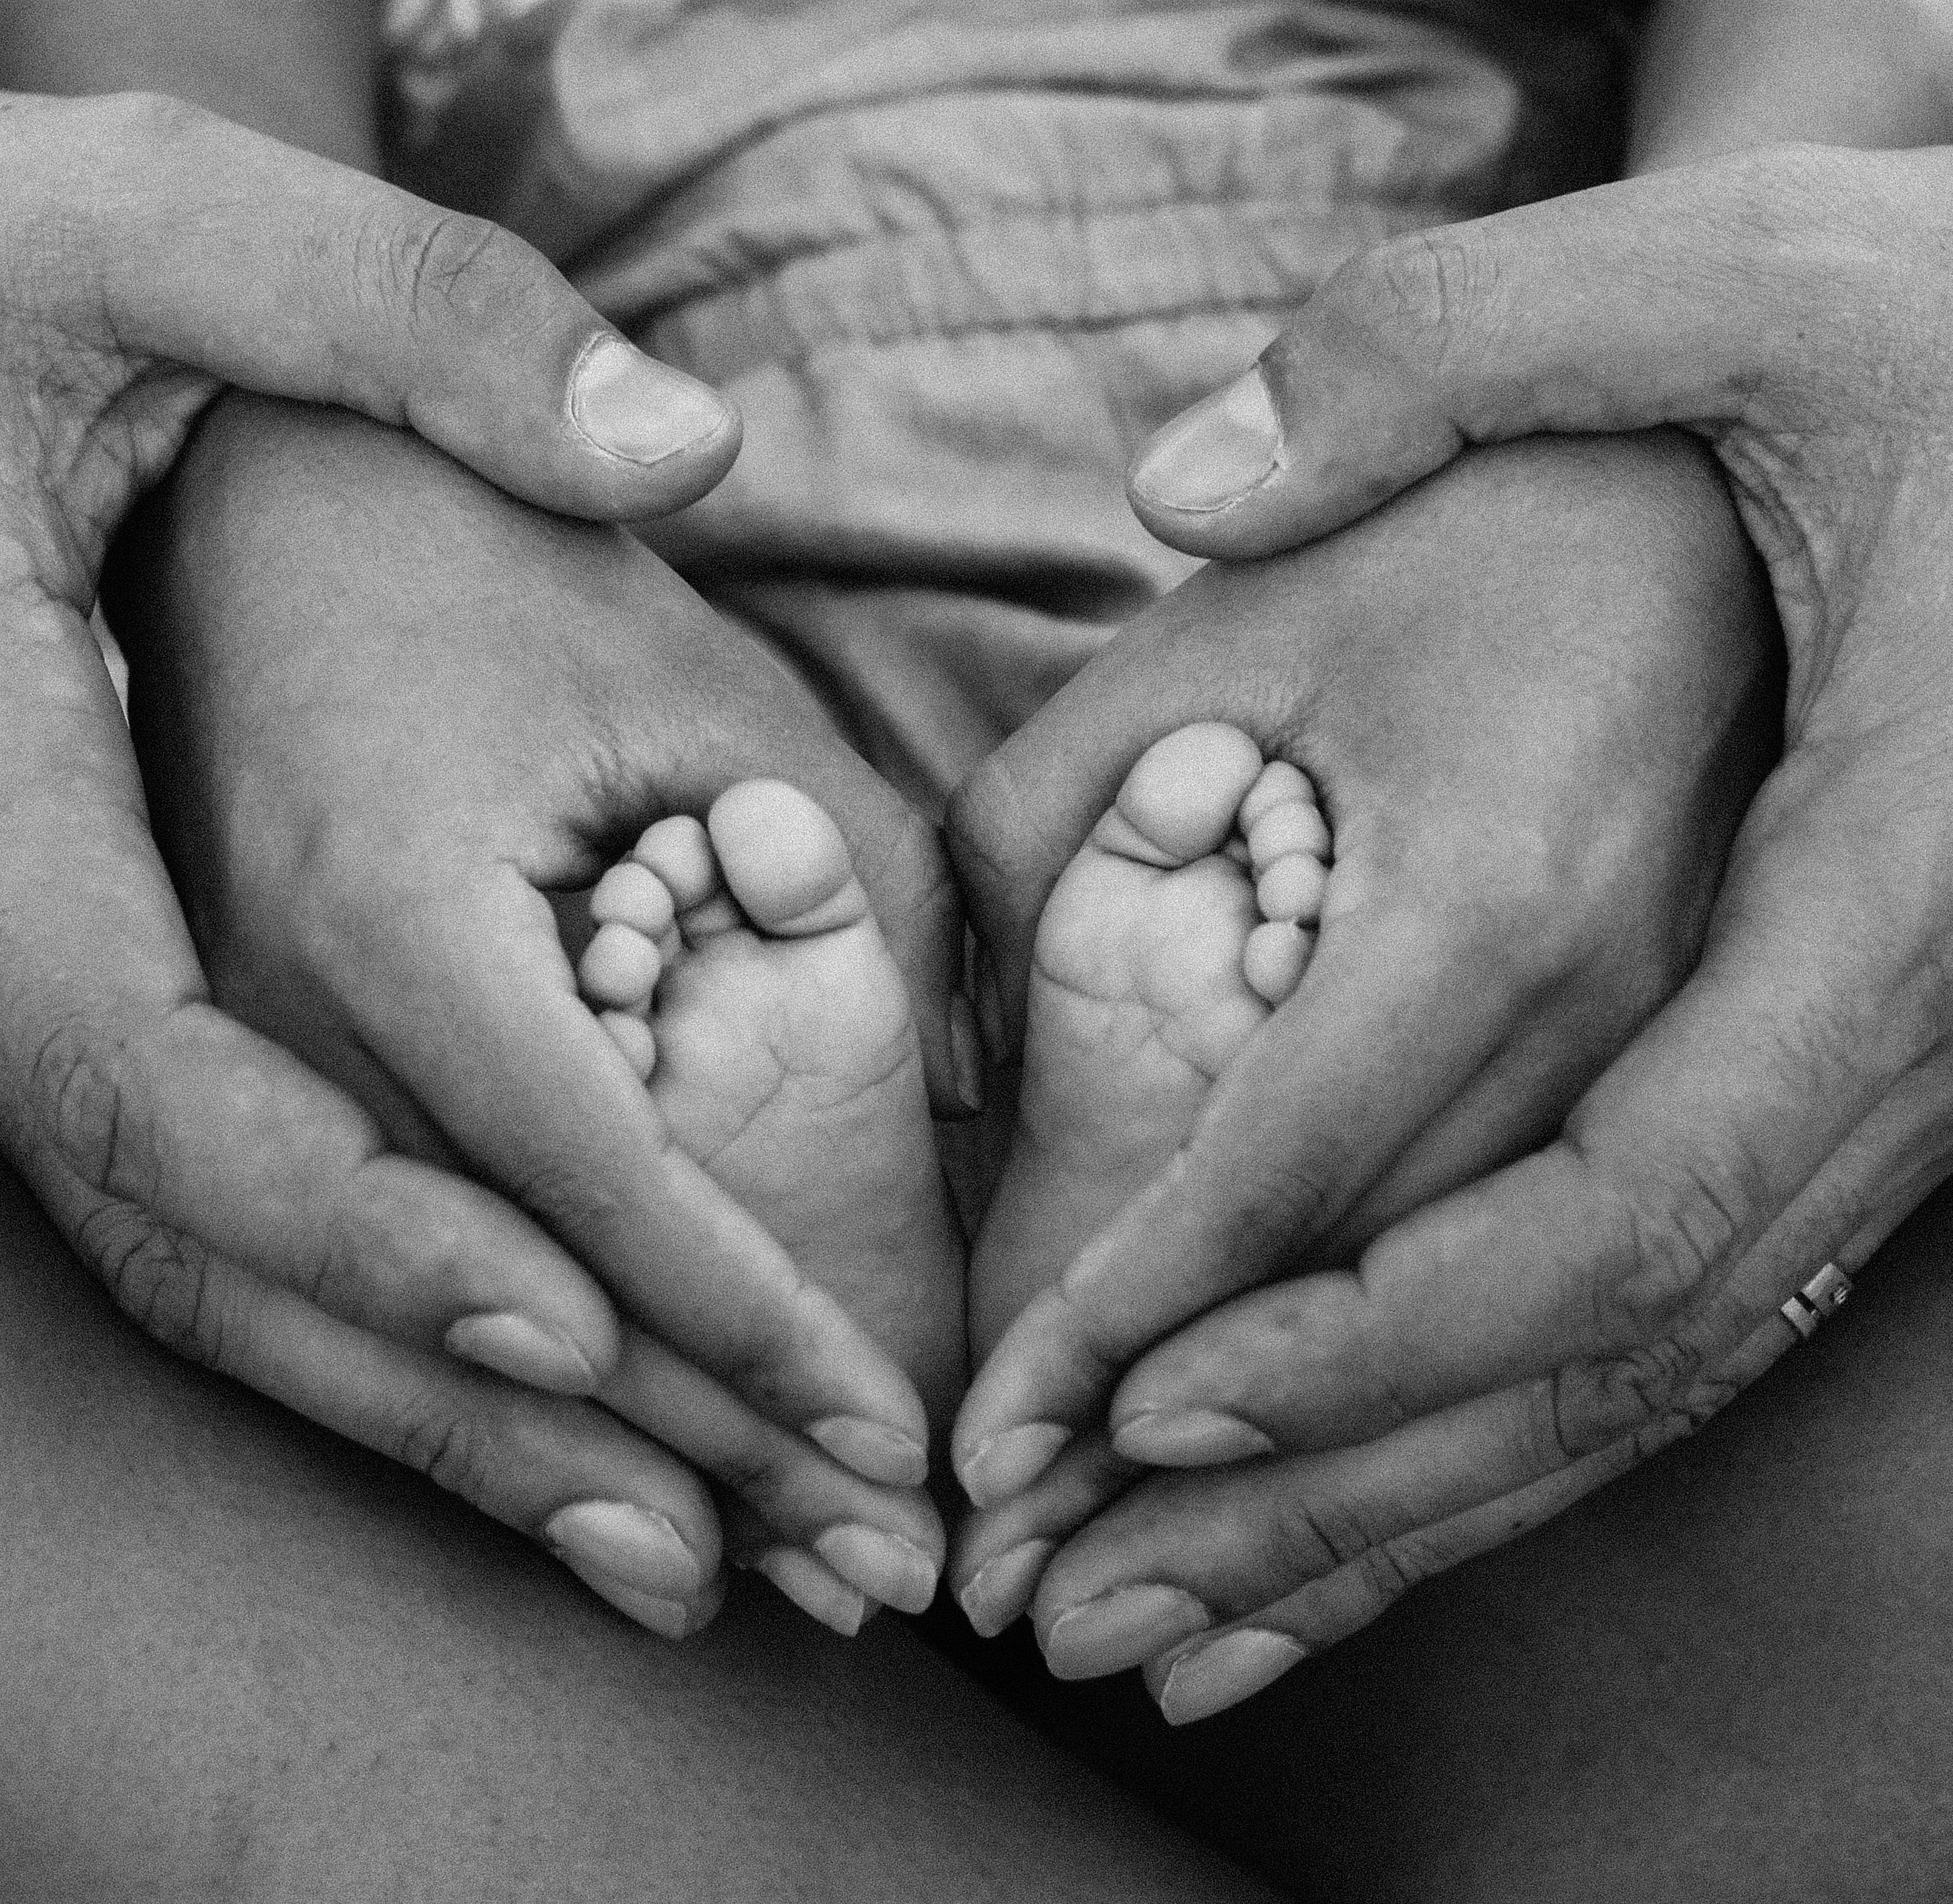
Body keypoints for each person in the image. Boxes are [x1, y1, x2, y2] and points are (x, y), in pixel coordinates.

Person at [10, 5, 1953, 1903]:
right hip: (563, 509)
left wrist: (1734, 336)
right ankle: (1151, 1116)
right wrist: (274, 370)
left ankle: (850, 1140)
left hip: (1409, 478)